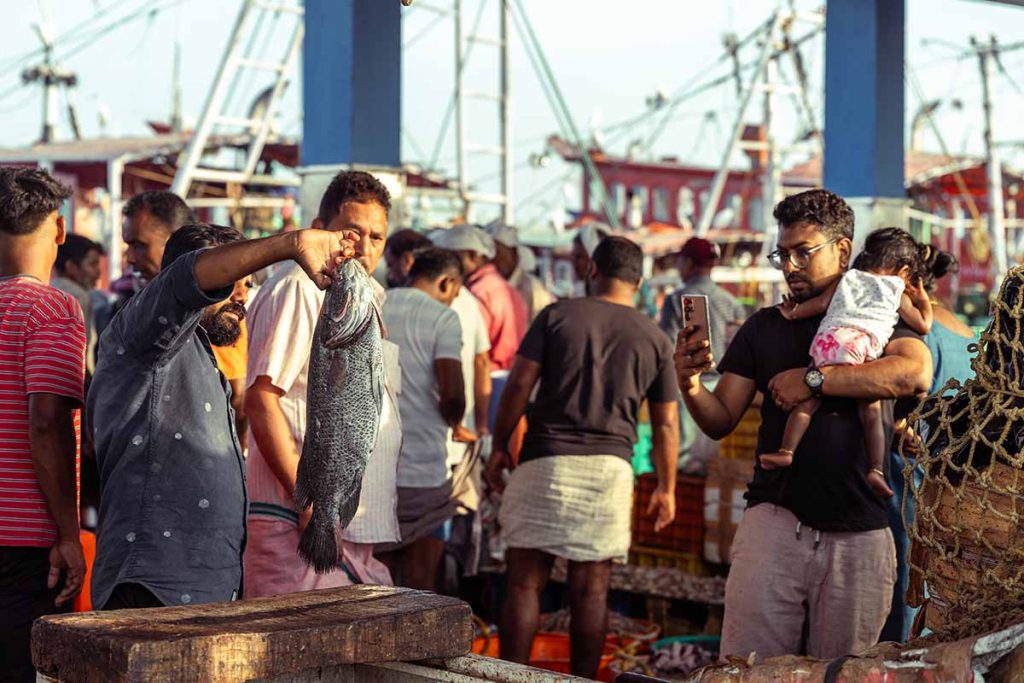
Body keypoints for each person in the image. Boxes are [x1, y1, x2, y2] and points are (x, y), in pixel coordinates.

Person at [675, 189, 932, 661]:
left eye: (802, 252)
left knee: (844, 673)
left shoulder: (877, 309)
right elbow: (719, 420)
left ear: (841, 249)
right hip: (774, 524)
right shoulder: (764, 327)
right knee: (748, 670)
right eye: (782, 254)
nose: (789, 266)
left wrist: (814, 380)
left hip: (860, 534)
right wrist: (690, 384)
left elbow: (912, 373)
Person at [88, 222, 357, 610]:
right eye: (231, 279)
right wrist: (291, 244)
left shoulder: (203, 355)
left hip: (205, 590)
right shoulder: (143, 336)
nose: (241, 295)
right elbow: (185, 278)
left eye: (248, 283)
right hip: (151, 587)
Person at [484, 237, 679, 680]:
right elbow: (667, 425)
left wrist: (499, 448)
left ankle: (510, 678)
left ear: (592, 269)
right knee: (591, 593)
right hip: (610, 471)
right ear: (640, 281)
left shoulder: (557, 315)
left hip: (544, 461)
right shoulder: (654, 337)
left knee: (523, 583)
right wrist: (666, 488)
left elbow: (517, 387)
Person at [244, 170, 401, 596]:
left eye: (377, 237)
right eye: (352, 233)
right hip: (293, 522)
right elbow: (261, 397)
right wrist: (309, 499)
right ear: (319, 230)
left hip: (341, 532)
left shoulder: (362, 295)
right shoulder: (302, 285)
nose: (365, 249)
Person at [759, 228, 933, 499]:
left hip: (828, 341)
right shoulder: (896, 289)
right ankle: (876, 468)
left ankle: (786, 451)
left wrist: (792, 312)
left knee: (807, 402)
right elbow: (923, 324)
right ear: (903, 271)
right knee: (870, 408)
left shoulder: (847, 278)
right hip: (859, 346)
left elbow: (821, 304)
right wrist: (923, 301)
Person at [0, 168, 86, 682]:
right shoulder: (50, 309)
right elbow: (47, 423)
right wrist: (68, 533)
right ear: (58, 229)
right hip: (26, 544)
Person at [880, 245, 976, 643]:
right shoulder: (967, 332)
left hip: (907, 490)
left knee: (904, 584)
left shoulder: (919, 335)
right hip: (950, 491)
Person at [377, 248, 469, 592]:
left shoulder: (378, 300)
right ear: (447, 283)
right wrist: (456, 419)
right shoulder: (444, 319)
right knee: (420, 585)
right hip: (424, 470)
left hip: (376, 469)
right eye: (455, 294)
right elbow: (453, 394)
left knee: (376, 580)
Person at [659, 237, 747, 473]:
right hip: (723, 389)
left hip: (688, 388)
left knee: (682, 462)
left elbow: (666, 348)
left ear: (687, 262)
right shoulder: (731, 303)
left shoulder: (675, 300)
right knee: (711, 465)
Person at [433, 224, 527, 371]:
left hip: (486, 377)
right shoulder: (506, 289)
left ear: (471, 255)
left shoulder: (475, 293)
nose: (448, 265)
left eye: (453, 257)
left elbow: (473, 351)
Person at [52, 234, 105, 375]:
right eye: (93, 264)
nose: (99, 272)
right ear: (72, 267)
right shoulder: (78, 297)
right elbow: (77, 355)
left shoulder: (50, 290)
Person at [121, 190, 194, 286]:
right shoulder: (132, 296)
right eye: (129, 246)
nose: (130, 258)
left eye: (139, 246)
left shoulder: (212, 296)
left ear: (177, 241)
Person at [485, 222, 554, 322]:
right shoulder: (487, 286)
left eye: (498, 253)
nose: (493, 259)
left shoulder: (533, 289)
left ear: (513, 254)